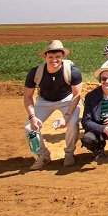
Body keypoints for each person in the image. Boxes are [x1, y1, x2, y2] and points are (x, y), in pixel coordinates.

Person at [23, 40, 83, 169]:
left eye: (57, 56)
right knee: (29, 128)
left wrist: (66, 117)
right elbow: (27, 96)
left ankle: (69, 153)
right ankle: (43, 155)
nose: (54, 60)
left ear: (63, 56)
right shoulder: (35, 72)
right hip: (44, 100)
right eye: (50, 57)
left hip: (67, 99)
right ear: (45, 57)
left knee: (72, 123)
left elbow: (77, 95)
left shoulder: (72, 71)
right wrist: (32, 117)